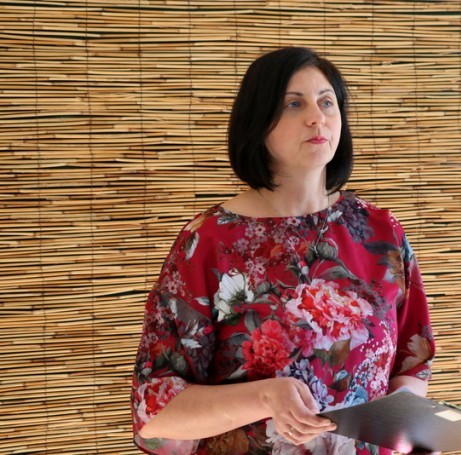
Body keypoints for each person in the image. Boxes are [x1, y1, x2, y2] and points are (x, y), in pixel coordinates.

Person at [131, 46, 436, 455]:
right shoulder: (208, 242)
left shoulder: (382, 232)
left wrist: (412, 433)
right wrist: (264, 397)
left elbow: (412, 365)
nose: (317, 117)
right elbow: (156, 411)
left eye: (326, 102)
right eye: (294, 104)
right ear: (257, 122)